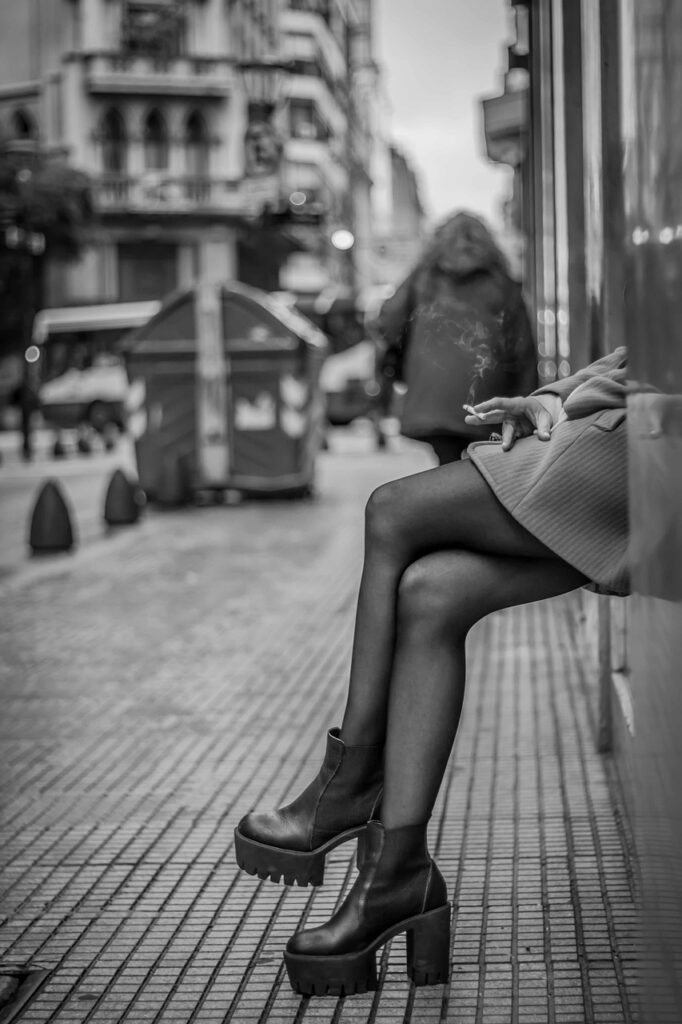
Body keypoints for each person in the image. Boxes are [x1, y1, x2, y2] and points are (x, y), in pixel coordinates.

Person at [234, 347, 629, 997]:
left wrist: (566, 403)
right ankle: (398, 874)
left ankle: (349, 783)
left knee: (392, 509)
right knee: (431, 592)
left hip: (646, 452)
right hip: (623, 445)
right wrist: (552, 397)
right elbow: (647, 347)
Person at [375, 211, 538, 465]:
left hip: (431, 396)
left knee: (448, 458)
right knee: (478, 459)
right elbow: (522, 349)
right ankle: (466, 497)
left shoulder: (424, 277)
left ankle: (453, 495)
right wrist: (525, 400)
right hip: (487, 397)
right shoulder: (502, 284)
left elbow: (388, 320)